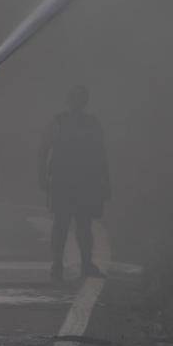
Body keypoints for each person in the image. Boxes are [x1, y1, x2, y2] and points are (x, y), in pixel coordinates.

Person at [37, 84, 110, 281]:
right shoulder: (70, 122)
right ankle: (68, 264)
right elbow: (101, 155)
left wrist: (42, 175)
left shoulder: (63, 122)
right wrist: (105, 182)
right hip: (73, 181)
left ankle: (67, 264)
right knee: (73, 224)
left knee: (73, 224)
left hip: (74, 181)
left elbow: (101, 155)